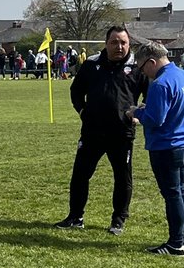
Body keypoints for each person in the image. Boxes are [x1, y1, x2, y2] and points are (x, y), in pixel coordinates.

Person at [54, 26, 147, 235]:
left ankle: (118, 220)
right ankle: (75, 217)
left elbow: (151, 95)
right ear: (106, 44)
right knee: (80, 175)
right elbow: (76, 90)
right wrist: (82, 111)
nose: (119, 47)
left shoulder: (137, 68)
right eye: (114, 42)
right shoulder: (91, 64)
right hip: (92, 131)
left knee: (122, 178)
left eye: (123, 42)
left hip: (122, 133)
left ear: (129, 44)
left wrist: (141, 114)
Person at [127, 41, 184, 257]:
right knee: (181, 190)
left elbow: (156, 120)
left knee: (172, 194)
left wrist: (136, 113)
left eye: (142, 67)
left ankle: (176, 244)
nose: (143, 73)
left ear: (151, 62)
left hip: (166, 144)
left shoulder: (160, 84)